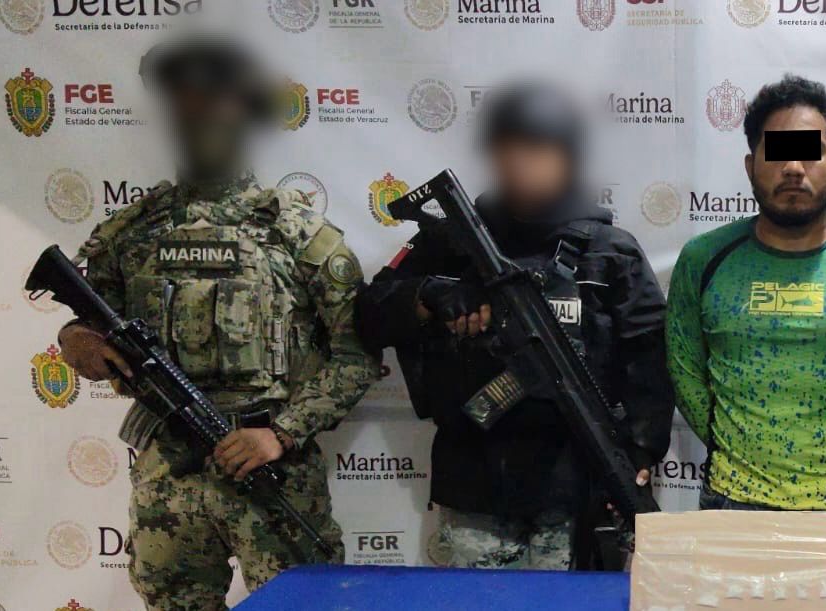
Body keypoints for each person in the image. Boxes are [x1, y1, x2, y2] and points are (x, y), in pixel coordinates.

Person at [54, 37, 378, 610]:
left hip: (272, 471)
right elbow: (87, 322)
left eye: (214, 100)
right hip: (168, 473)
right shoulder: (133, 232)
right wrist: (76, 342)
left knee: (303, 604)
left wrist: (282, 433)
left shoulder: (296, 233)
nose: (198, 115)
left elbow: (358, 356)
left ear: (245, 112)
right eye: (185, 102)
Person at [358, 82, 674, 571]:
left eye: (537, 149)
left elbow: (649, 359)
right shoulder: (451, 244)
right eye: (509, 149)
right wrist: (432, 296)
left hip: (575, 486)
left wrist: (640, 450)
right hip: (475, 484)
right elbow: (369, 313)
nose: (520, 163)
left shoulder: (608, 250)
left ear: (568, 157)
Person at [665, 75, 826, 577]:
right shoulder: (703, 259)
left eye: (810, 152)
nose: (794, 168)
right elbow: (683, 367)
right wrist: (729, 445)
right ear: (750, 165)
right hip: (732, 504)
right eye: (778, 151)